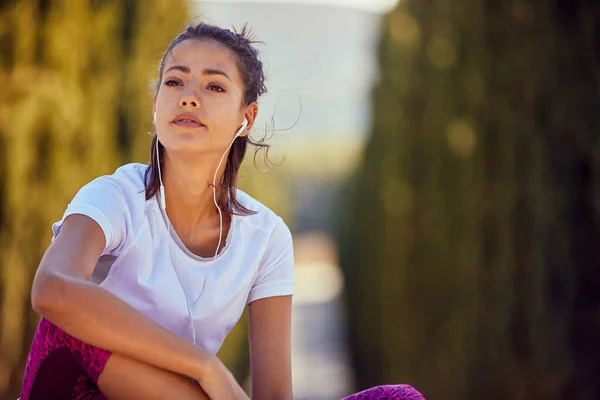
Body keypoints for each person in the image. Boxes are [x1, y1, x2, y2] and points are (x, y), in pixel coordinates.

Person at [20, 20, 426, 400]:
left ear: (246, 118)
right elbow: (52, 288)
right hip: (78, 387)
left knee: (400, 398)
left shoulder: (266, 239)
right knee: (67, 324)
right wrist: (205, 367)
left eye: (214, 87)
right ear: (156, 106)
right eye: (174, 81)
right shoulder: (115, 196)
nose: (189, 95)